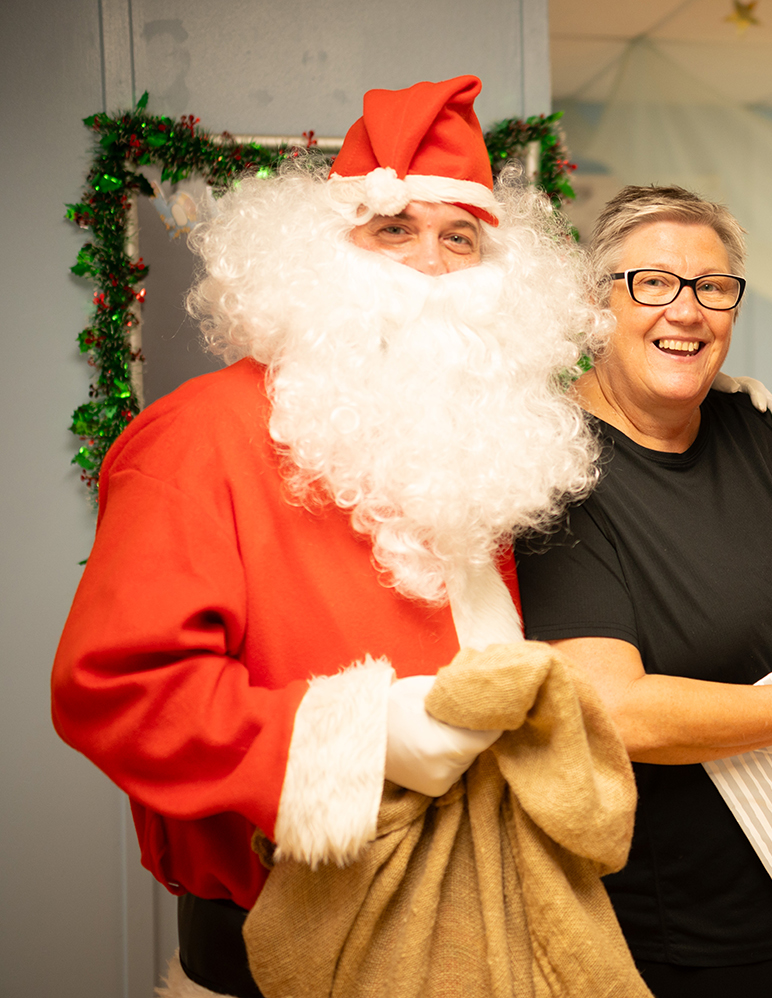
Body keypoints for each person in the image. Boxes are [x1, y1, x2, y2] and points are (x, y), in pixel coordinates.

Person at [51, 76, 612, 998]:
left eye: (459, 238)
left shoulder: (488, 443)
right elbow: (116, 689)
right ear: (319, 254)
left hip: (472, 921)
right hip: (281, 938)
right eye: (394, 229)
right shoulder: (200, 435)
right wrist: (365, 737)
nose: (430, 265)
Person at [515, 186, 772, 998]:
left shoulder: (753, 427)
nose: (687, 311)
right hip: (698, 926)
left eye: (712, 287)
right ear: (598, 307)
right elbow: (618, 714)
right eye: (652, 283)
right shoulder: (556, 473)